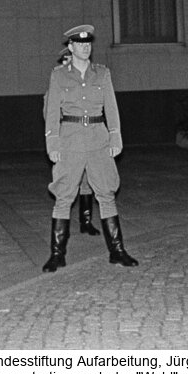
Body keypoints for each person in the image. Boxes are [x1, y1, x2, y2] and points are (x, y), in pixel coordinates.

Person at [42, 24, 138, 272]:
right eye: (80, 44)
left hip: (98, 139)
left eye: (88, 43)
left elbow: (111, 108)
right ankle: (57, 254)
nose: (85, 47)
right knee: (64, 195)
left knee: (106, 193)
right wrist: (52, 143)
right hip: (70, 140)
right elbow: (52, 113)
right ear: (70, 47)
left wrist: (115, 137)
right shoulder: (58, 76)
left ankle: (117, 251)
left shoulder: (102, 74)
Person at [45, 47, 100, 236]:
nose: (70, 64)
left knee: (87, 182)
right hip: (68, 141)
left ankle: (86, 221)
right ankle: (62, 231)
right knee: (66, 186)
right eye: (66, 61)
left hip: (87, 141)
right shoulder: (57, 86)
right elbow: (49, 116)